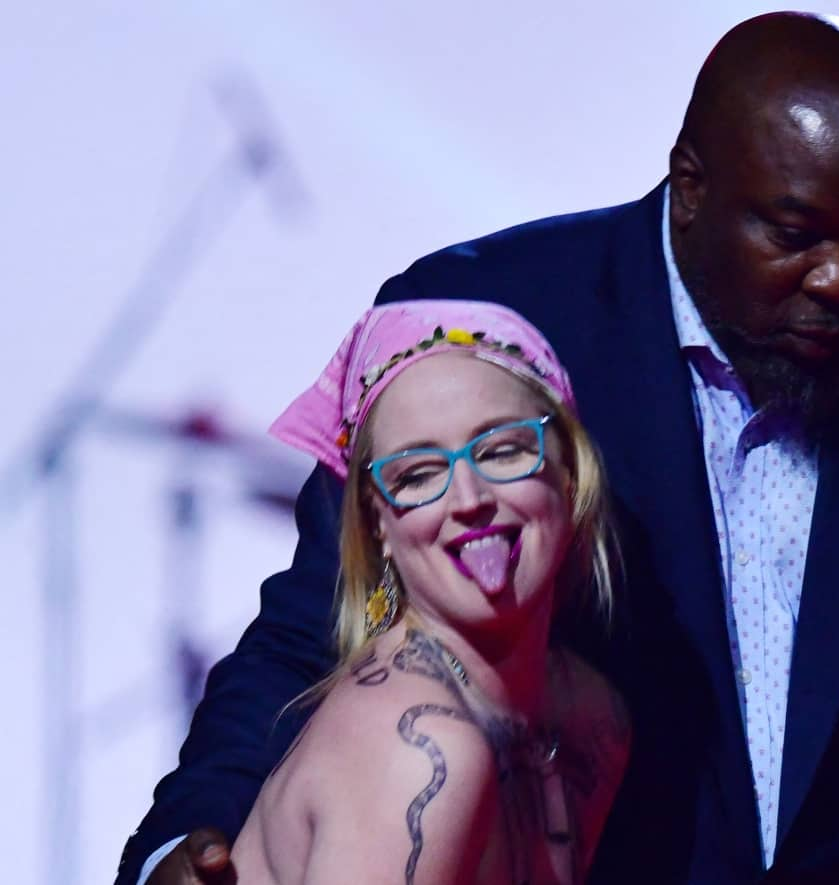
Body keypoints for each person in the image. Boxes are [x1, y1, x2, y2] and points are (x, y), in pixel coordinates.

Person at [121, 11, 839, 885]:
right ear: (690, 185)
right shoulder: (486, 326)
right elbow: (311, 633)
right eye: (795, 233)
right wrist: (186, 838)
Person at [230, 300, 630, 884]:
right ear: (378, 527)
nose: (468, 498)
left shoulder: (592, 716)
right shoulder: (418, 753)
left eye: (501, 450)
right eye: (417, 475)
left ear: (567, 475)